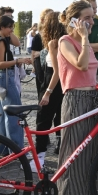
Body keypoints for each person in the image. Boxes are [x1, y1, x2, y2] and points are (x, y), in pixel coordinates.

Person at [55, 0, 98, 195]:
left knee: (92, 153)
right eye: (87, 17)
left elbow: (91, 73)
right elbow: (81, 66)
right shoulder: (65, 41)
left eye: (92, 17)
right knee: (72, 153)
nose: (91, 22)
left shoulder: (87, 43)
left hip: (93, 100)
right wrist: (84, 38)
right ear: (74, 20)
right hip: (76, 101)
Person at [0, 15, 32, 153]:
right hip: (4, 76)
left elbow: (17, 43)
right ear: (1, 27)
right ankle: (17, 149)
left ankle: (4, 149)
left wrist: (9, 32)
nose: (11, 30)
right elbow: (0, 63)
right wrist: (18, 61)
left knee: (3, 113)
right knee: (14, 113)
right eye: (9, 27)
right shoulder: (0, 41)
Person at [31, 11, 65, 170]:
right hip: (63, 85)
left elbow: (56, 71)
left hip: (52, 83)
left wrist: (47, 92)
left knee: (43, 122)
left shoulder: (53, 43)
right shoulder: (66, 41)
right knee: (61, 121)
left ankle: (38, 159)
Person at [31, 9, 54, 95]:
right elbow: (33, 55)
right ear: (43, 20)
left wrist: (42, 52)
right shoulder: (37, 37)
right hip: (42, 68)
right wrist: (35, 68)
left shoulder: (55, 34)